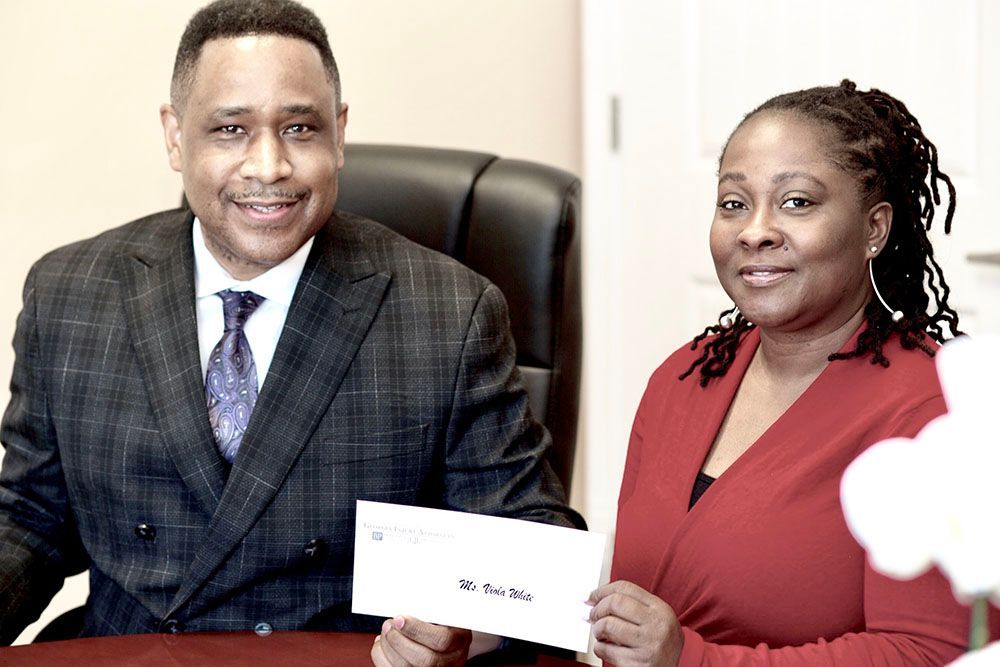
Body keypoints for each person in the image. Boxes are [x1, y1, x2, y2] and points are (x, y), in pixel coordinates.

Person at [0, 0, 582, 663]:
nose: (269, 166)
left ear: (338, 134)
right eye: (230, 129)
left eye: (300, 128)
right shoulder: (69, 293)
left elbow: (534, 554)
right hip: (132, 652)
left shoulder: (450, 312)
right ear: (173, 135)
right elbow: (29, 518)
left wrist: (467, 632)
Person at [586, 80, 1000, 666]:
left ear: (874, 230)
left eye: (797, 202)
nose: (755, 230)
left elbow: (930, 652)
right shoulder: (683, 378)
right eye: (734, 203)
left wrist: (694, 661)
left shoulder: (932, 410)